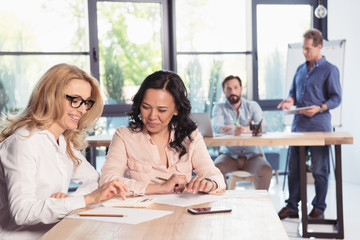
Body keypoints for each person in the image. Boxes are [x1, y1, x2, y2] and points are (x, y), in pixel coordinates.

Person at [0, 63, 128, 239]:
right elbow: (23, 212)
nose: (82, 109)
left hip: (55, 231)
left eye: (86, 102)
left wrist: (70, 201)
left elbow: (93, 179)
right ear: (50, 97)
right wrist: (87, 199)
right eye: (75, 100)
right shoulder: (24, 142)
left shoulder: (63, 141)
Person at [100, 70, 226, 195]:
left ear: (177, 109)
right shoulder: (124, 136)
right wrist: (160, 188)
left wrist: (209, 183)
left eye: (162, 110)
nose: (152, 116)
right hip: (142, 214)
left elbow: (216, 177)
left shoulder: (190, 136)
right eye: (146, 107)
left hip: (181, 213)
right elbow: (107, 181)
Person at [277, 29, 342, 220]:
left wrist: (320, 107)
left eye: (308, 48)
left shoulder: (330, 70)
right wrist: (289, 100)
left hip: (319, 127)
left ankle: (319, 208)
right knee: (294, 169)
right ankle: (292, 206)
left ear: (319, 46)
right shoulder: (300, 69)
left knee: (320, 169)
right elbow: (293, 93)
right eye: (303, 48)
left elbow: (336, 98)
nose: (304, 52)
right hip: (299, 127)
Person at [211, 75, 272, 190]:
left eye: (235, 87)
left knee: (266, 170)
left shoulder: (252, 106)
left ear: (241, 89)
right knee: (215, 169)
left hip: (252, 156)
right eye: (228, 88)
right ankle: (225, 202)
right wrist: (232, 130)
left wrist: (245, 129)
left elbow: (263, 127)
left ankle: (260, 205)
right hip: (228, 155)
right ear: (224, 91)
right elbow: (216, 127)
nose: (232, 91)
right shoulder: (219, 108)